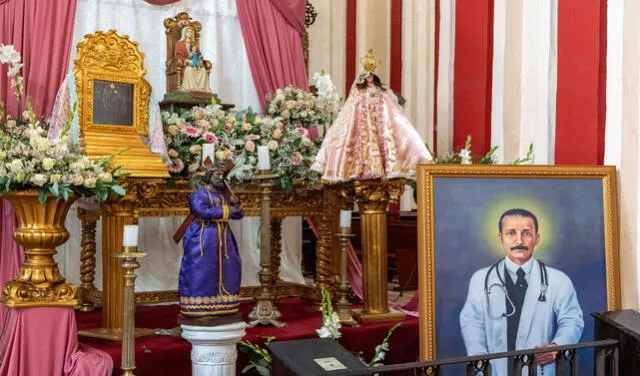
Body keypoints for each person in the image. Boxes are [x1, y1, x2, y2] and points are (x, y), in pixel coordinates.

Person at [459, 208, 584, 375]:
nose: (519, 240)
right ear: (501, 238)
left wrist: (557, 345)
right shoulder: (481, 279)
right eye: (511, 233)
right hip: (493, 367)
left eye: (526, 233)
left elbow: (572, 320)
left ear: (536, 238)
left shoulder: (558, 280)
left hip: (538, 366)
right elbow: (471, 322)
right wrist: (478, 355)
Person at [311, 49, 431, 182]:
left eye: (372, 76)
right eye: (368, 76)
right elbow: (353, 106)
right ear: (364, 77)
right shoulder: (359, 92)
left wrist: (386, 97)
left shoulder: (380, 90)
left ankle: (390, 166)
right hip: (363, 122)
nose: (370, 78)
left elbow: (388, 106)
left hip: (377, 121)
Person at [173, 159, 243, 317]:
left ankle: (224, 304)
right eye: (216, 173)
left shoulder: (226, 195)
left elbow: (238, 215)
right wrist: (227, 210)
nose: (219, 176)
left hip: (224, 238)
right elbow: (201, 212)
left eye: (221, 174)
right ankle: (199, 306)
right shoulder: (199, 194)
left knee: (229, 268)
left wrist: (236, 205)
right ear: (209, 175)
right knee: (201, 269)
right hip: (203, 237)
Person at [174, 26, 210, 92]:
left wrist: (200, 59)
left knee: (203, 70)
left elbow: (199, 54)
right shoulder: (179, 44)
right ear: (184, 33)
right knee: (189, 70)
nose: (190, 33)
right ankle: (190, 88)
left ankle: (202, 89)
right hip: (186, 64)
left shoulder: (194, 44)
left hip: (195, 62)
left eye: (191, 32)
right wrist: (186, 60)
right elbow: (177, 55)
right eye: (188, 31)